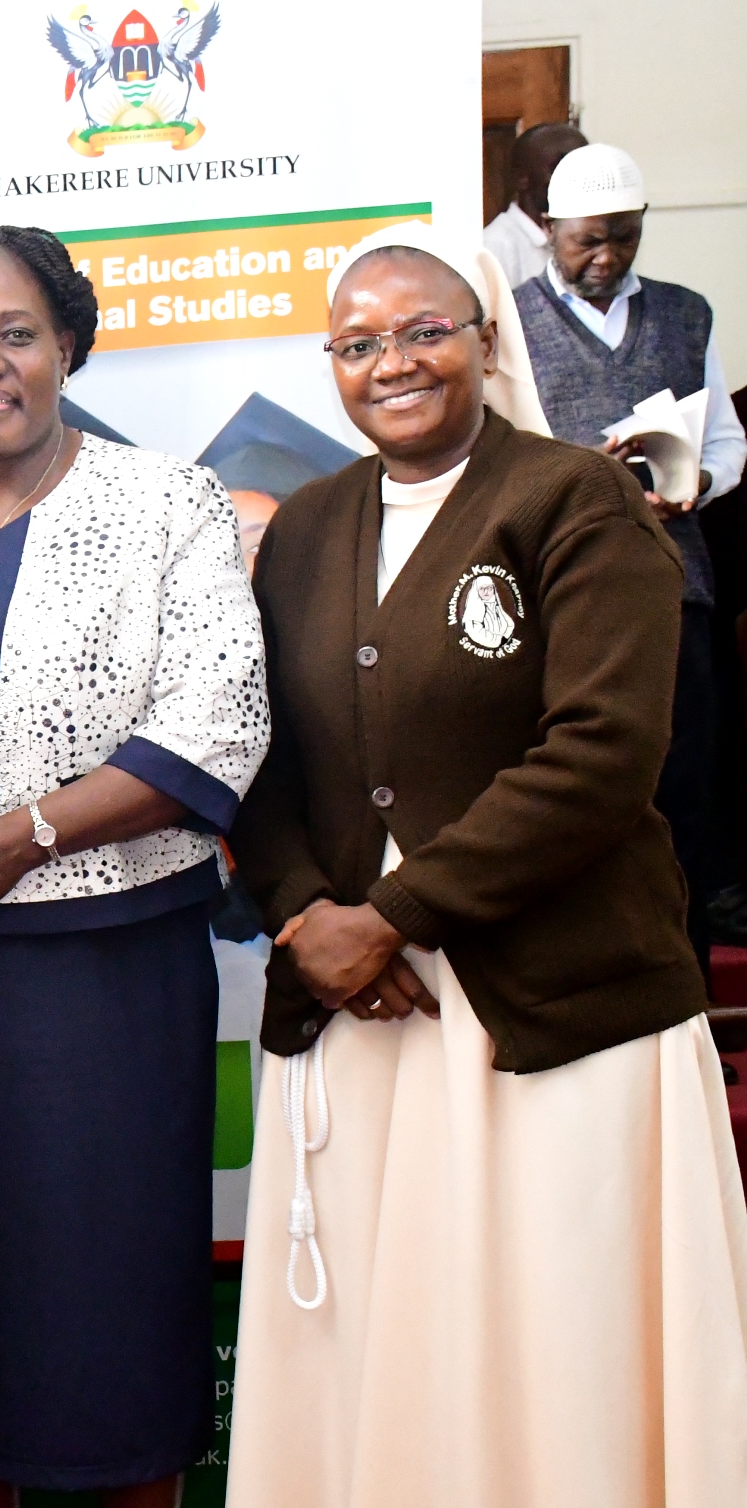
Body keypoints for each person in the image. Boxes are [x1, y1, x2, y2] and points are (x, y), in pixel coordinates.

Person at [226, 225, 747, 1507]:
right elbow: (261, 757)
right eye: (358, 342)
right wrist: (307, 920)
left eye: (422, 331)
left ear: (483, 340)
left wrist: (390, 916)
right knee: (392, 1353)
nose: (391, 361)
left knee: (557, 1347)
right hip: (371, 1008)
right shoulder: (306, 529)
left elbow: (604, 754)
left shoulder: (576, 497)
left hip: (555, 1005)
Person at [0, 226, 269, 1508]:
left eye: (16, 333)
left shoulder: (163, 501)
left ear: (67, 343)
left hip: (106, 994)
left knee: (111, 1324)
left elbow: (218, 720)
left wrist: (19, 840)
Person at [514, 144, 747, 975]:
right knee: (579, 797)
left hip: (671, 588)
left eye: (624, 237)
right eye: (587, 241)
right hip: (558, 598)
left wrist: (699, 481)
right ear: (547, 231)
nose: (606, 256)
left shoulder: (687, 315)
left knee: (680, 797)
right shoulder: (509, 321)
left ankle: (683, 998)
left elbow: (725, 438)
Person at [482, 121, 586, 286]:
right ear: (522, 178)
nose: (578, 179)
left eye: (585, 168)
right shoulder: (496, 247)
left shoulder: (599, 240)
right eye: (558, 168)